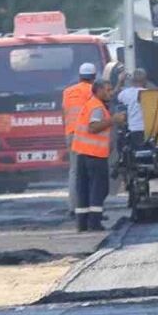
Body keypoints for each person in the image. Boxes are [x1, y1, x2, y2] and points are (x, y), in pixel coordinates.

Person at [73, 79, 124, 232]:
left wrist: (119, 83)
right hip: (94, 155)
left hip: (82, 153)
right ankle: (94, 223)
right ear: (99, 91)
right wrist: (113, 120)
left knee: (84, 189)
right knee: (99, 189)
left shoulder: (92, 103)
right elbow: (93, 127)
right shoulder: (97, 108)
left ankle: (82, 223)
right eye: (107, 90)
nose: (110, 93)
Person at [62, 62, 97, 214]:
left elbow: (64, 113)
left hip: (71, 133)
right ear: (94, 77)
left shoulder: (67, 92)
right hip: (87, 134)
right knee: (90, 171)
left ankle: (73, 207)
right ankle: (89, 207)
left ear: (80, 76)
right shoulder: (93, 91)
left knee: (74, 171)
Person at [115, 68, 149, 145]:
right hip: (149, 129)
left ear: (132, 81)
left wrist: (120, 81)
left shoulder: (125, 93)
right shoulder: (149, 94)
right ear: (145, 80)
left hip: (133, 129)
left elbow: (115, 95)